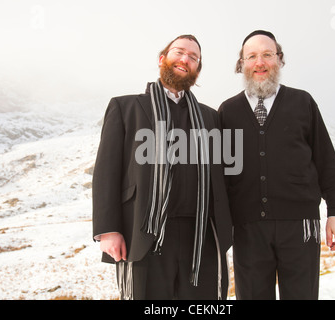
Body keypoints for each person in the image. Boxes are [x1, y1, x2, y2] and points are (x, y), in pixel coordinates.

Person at [92, 35, 232, 300]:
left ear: (197, 69)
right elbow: (106, 172)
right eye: (179, 52)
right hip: (145, 234)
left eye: (193, 57)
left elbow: (224, 176)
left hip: (201, 237)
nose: (185, 59)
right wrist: (108, 229)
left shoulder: (210, 116)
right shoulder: (125, 107)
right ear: (162, 59)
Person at [218, 30, 335, 300]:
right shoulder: (227, 111)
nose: (260, 62)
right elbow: (221, 175)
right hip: (248, 228)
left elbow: (326, 162)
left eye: (268, 54)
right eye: (251, 56)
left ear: (279, 59)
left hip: (300, 226)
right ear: (241, 64)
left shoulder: (303, 102)